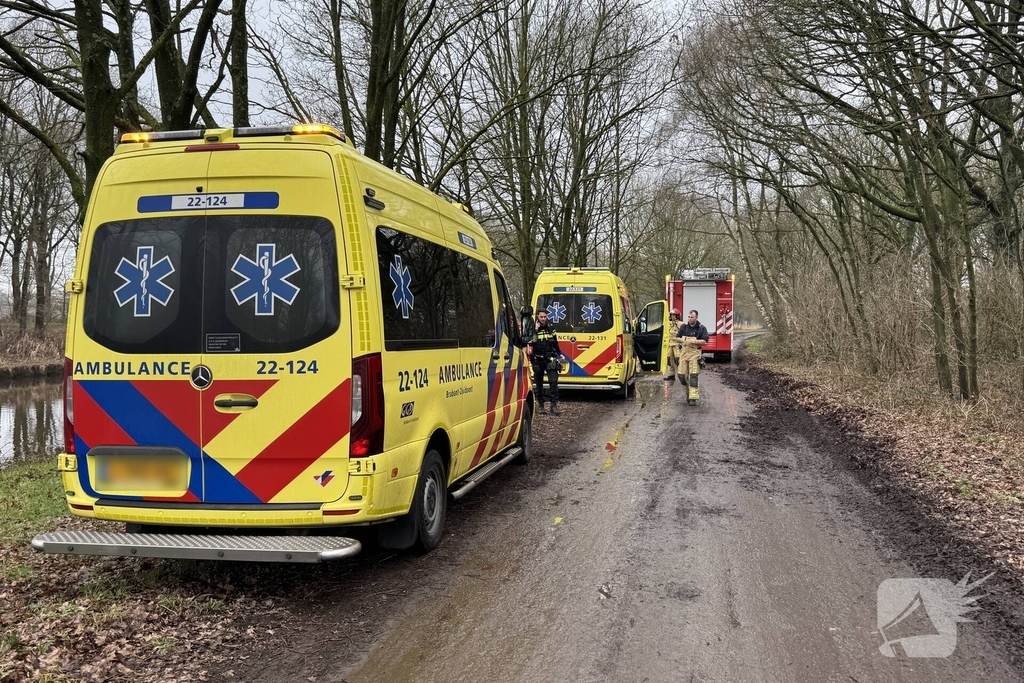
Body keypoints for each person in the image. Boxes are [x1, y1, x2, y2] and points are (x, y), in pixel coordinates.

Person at [530, 309, 566, 415]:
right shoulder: (532, 329)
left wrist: (560, 354)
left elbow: (555, 343)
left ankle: (553, 406)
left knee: (553, 381)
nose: (543, 319)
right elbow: (531, 342)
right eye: (541, 317)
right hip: (537, 359)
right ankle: (541, 406)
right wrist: (535, 330)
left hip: (550, 358)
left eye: (545, 317)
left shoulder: (551, 328)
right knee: (539, 383)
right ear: (537, 316)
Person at [675, 309, 709, 405]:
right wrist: (683, 339)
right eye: (689, 317)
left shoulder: (701, 328)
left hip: (695, 353)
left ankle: (693, 398)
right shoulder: (683, 327)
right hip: (684, 353)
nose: (690, 319)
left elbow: (705, 341)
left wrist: (693, 341)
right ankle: (688, 392)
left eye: (692, 317)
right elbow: (677, 338)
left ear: (696, 318)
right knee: (681, 375)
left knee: (693, 375)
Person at [664, 309, 682, 381]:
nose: (673, 317)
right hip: (669, 345)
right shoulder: (668, 323)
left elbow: (684, 334)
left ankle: (682, 375)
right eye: (672, 315)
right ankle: (671, 375)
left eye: (674, 315)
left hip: (677, 345)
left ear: (677, 316)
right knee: (669, 360)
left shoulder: (681, 324)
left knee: (678, 360)